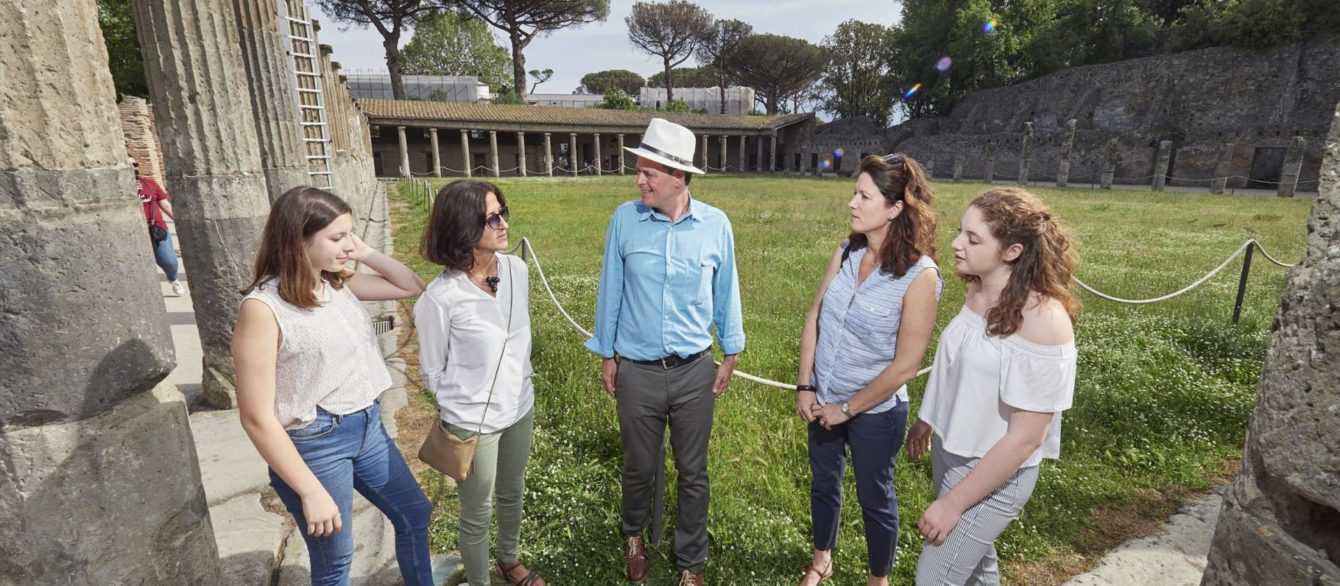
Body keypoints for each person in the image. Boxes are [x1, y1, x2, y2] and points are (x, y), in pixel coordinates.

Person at [231, 186, 432, 586]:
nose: (348, 245)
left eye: (349, 235)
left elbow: (410, 285)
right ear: (298, 240)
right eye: (337, 237)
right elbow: (256, 418)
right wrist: (309, 490)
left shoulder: (337, 283)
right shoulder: (263, 309)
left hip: (368, 426)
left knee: (415, 515)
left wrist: (364, 252)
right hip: (315, 443)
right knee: (336, 563)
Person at [586, 118, 745, 586]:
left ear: (679, 176)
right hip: (637, 371)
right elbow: (610, 290)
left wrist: (731, 349)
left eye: (649, 172)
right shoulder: (625, 220)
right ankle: (633, 533)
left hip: (695, 371)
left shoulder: (715, 225)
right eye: (638, 170)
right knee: (639, 466)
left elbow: (727, 290)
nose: (639, 180)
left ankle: (690, 562)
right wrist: (607, 353)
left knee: (694, 472)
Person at [906, 188, 1080, 585]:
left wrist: (952, 503)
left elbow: (1025, 439)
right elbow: (957, 366)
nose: (956, 244)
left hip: (995, 473)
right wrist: (928, 419)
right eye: (960, 232)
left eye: (972, 238)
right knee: (977, 571)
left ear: (1012, 251)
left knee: (934, 577)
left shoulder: (1044, 320)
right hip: (951, 452)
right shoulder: (978, 288)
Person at [794, 154, 942, 586]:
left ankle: (879, 580)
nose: (852, 203)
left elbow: (907, 365)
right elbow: (814, 315)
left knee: (874, 496)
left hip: (876, 412)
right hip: (823, 398)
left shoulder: (921, 275)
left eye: (864, 195)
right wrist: (807, 385)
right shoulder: (845, 251)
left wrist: (849, 408)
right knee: (824, 484)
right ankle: (822, 558)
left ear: (895, 208)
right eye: (854, 193)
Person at [414, 180, 546, 586]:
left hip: (520, 406)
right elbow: (432, 372)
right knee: (476, 514)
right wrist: (465, 408)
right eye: (492, 218)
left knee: (512, 493)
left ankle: (509, 560)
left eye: (502, 212)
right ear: (463, 227)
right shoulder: (440, 298)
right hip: (472, 422)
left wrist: (516, 383)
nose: (503, 223)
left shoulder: (517, 271)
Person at [134, 159, 184, 297]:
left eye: (136, 164)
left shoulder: (149, 183)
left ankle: (173, 278)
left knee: (169, 261)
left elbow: (165, 204)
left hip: (156, 228)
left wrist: (179, 221)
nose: (134, 167)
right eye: (131, 164)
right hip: (134, 232)